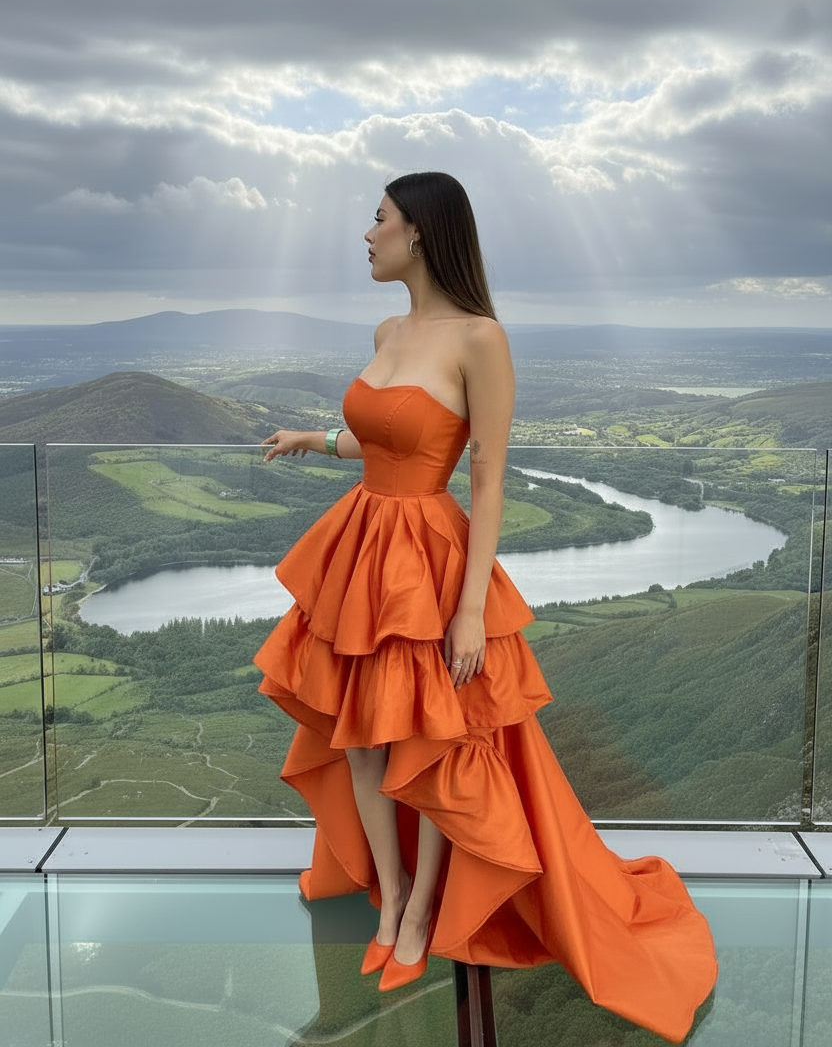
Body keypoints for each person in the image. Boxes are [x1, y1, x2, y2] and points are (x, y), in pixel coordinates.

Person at [254, 172, 717, 1040]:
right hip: (360, 549)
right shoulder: (388, 327)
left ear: (420, 232)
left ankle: (425, 909)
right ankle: (388, 897)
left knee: (435, 740)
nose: (367, 233)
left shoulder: (481, 338)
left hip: (430, 560)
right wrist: (317, 439)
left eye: (379, 218)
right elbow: (386, 434)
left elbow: (489, 473)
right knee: (360, 733)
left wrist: (470, 611)